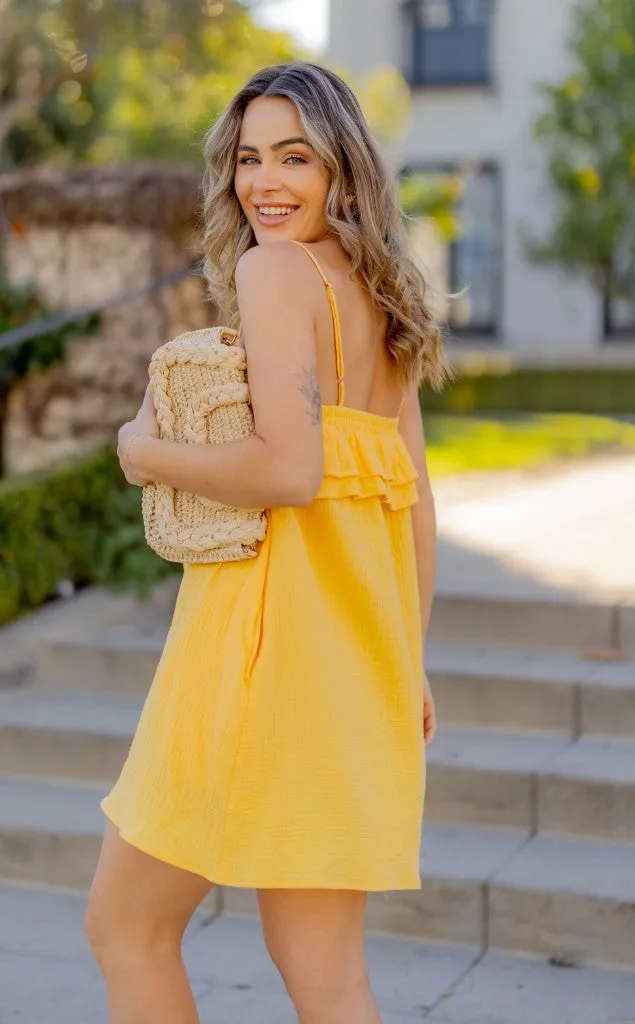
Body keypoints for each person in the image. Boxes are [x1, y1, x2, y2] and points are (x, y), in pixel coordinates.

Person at [85, 61, 448, 1024]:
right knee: (322, 970)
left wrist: (142, 451)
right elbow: (413, 504)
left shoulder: (274, 270)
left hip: (254, 647)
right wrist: (405, 663)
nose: (265, 183)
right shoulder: (384, 291)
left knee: (125, 929)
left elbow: (287, 469)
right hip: (355, 660)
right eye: (248, 158)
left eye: (295, 156)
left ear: (343, 168)